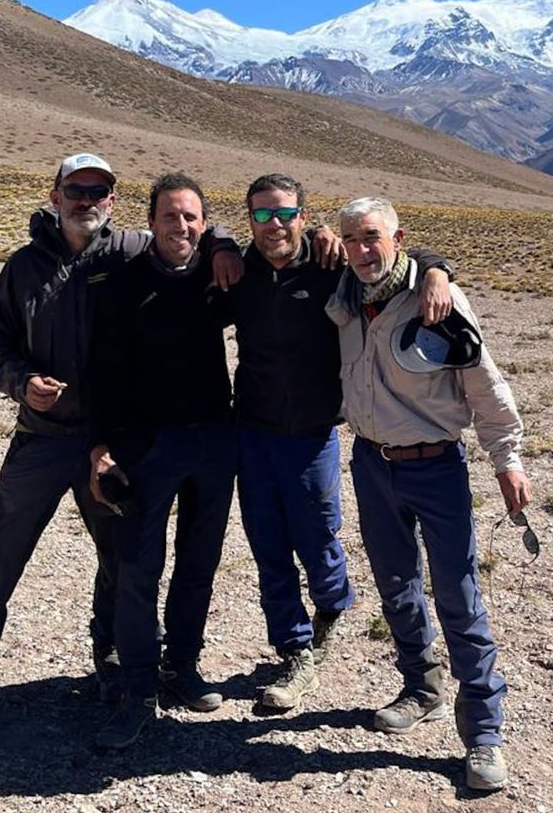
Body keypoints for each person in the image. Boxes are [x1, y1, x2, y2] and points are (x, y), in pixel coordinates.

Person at [0, 155, 240, 743]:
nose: (87, 199)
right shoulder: (24, 267)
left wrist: (227, 243)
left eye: (98, 190)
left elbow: (192, 227)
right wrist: (21, 382)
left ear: (112, 200)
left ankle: (111, 662)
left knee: (122, 561)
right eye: (76, 189)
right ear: (55, 195)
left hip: (116, 441)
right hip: (45, 438)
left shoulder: (130, 249)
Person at [326, 197, 533, 792]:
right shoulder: (343, 299)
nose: (361, 250)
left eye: (372, 237)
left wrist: (507, 459)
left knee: (458, 595)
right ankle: (422, 688)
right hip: (371, 463)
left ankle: (484, 732)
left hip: (435, 465)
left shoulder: (437, 300)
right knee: (396, 585)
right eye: (350, 239)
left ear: (397, 240)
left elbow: (485, 385)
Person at [229, 174, 455, 712]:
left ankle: (330, 612)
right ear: (250, 220)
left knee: (317, 538)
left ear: (304, 217)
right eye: (262, 214)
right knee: (267, 545)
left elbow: (398, 258)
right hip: (253, 431)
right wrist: (217, 246)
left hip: (312, 434)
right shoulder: (239, 270)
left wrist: (437, 270)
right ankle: (295, 648)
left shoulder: (331, 267)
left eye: (285, 213)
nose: (274, 224)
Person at [87, 172, 238, 749]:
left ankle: (183, 665)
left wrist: (224, 241)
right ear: (149, 221)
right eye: (170, 216)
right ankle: (137, 687)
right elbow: (101, 371)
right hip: (145, 445)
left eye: (191, 217)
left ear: (204, 223)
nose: (180, 226)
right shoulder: (122, 283)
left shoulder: (217, 274)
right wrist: (100, 448)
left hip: (213, 440)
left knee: (199, 560)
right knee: (138, 568)